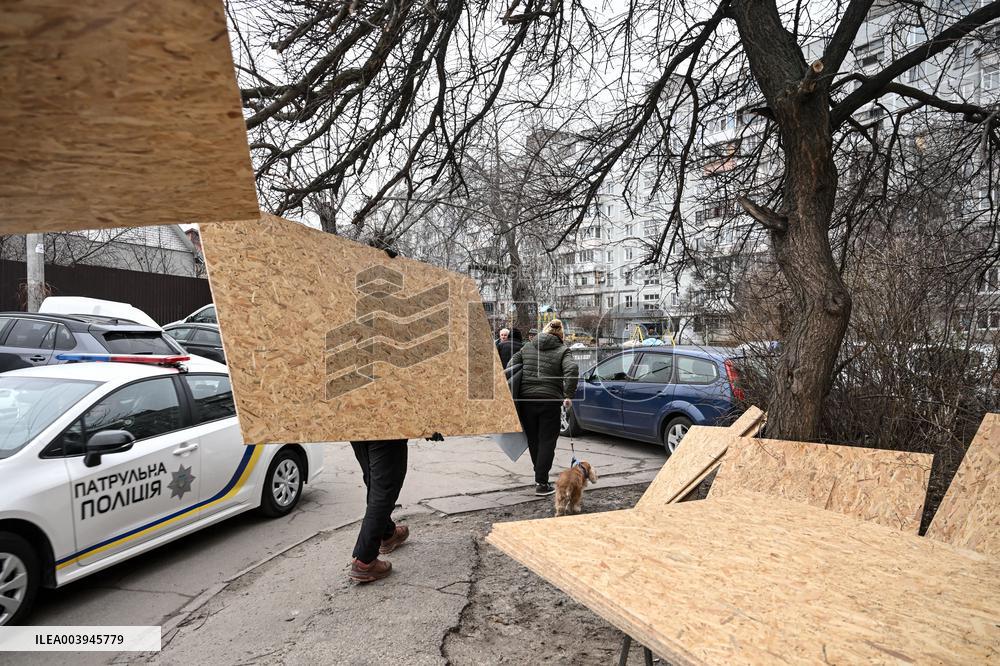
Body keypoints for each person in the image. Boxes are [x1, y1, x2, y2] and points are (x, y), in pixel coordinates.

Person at [508, 319, 579, 496]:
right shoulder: (563, 350)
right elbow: (572, 370)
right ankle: (542, 482)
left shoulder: (528, 347)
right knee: (547, 441)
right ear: (561, 334)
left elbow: (511, 366)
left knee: (534, 440)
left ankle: (539, 477)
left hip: (526, 401)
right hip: (550, 401)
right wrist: (568, 395)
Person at [348, 439, 411, 582]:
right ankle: (365, 561)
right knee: (384, 487)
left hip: (355, 424)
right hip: (385, 425)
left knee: (374, 478)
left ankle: (387, 533)